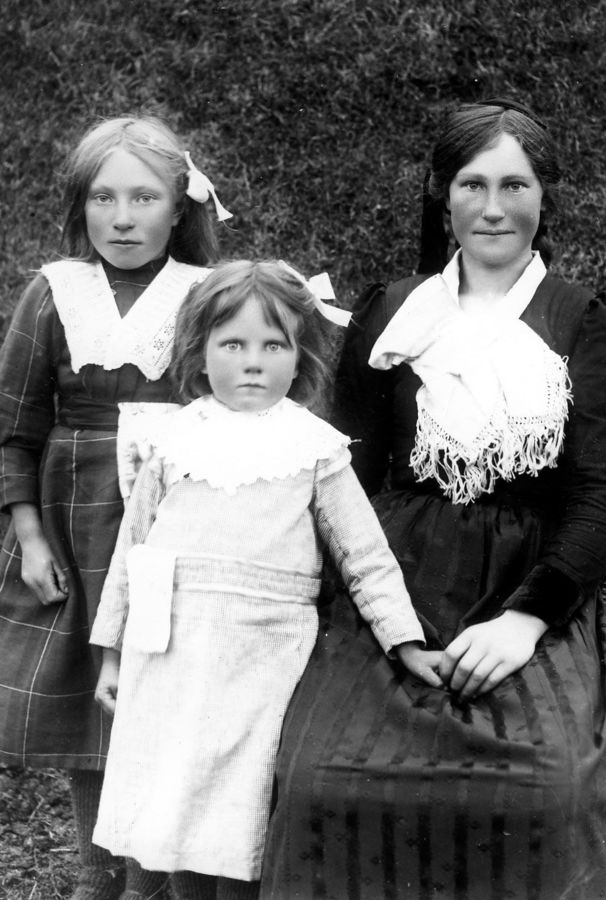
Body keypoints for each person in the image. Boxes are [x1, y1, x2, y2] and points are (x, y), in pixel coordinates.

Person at [259, 100, 606, 900]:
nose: (494, 207)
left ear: (544, 196)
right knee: (318, 780)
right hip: (396, 576)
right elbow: (344, 469)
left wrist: (526, 621)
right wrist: (382, 615)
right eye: (473, 184)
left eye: (515, 185)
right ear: (442, 195)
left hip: (530, 583)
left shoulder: (581, 320)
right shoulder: (392, 312)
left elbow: (599, 493)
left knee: (547, 791)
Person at [88, 259, 442, 900]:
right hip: (170, 651)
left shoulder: (314, 448)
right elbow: (131, 550)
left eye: (273, 345)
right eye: (233, 345)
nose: (253, 363)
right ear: (199, 354)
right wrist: (111, 653)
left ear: (300, 357)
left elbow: (364, 555)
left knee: (241, 801)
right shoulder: (172, 441)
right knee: (175, 791)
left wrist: (404, 639)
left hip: (265, 655)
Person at [0, 115, 231, 900]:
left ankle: (150, 874)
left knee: (159, 697)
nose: (123, 218)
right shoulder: (53, 293)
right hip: (76, 522)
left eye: (144, 197)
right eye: (104, 198)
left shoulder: (204, 295)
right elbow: (14, 428)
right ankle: (98, 872)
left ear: (180, 207)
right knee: (90, 706)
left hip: (172, 523)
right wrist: (30, 534)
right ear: (80, 205)